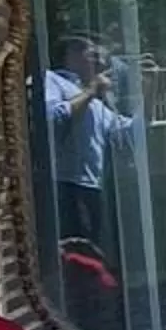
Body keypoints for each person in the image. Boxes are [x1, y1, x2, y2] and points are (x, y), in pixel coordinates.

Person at [43, 32, 143, 261]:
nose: (101, 62)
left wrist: (151, 92)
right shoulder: (51, 80)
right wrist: (90, 91)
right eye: (93, 54)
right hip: (64, 186)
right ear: (72, 55)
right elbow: (50, 119)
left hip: (90, 188)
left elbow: (126, 134)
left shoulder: (95, 101)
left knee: (92, 255)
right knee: (75, 257)